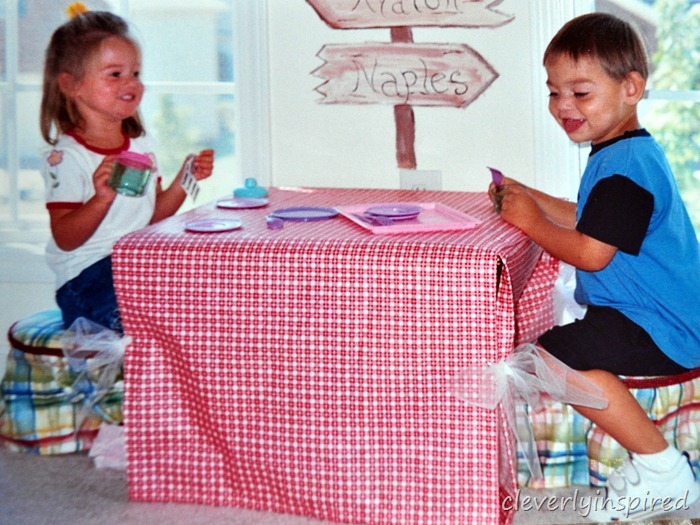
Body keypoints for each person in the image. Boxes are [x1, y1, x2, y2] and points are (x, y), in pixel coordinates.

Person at [490, 13, 700, 522]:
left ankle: (663, 470)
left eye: (580, 93)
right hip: (649, 313)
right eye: (554, 92)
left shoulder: (626, 169)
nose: (563, 106)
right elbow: (590, 218)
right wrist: (527, 197)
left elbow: (589, 252)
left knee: (551, 357)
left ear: (631, 88)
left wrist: (528, 220)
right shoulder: (622, 153)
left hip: (662, 327)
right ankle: (657, 468)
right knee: (563, 345)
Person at [40, 5, 214, 333]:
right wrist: (100, 199)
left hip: (131, 263)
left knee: (198, 292)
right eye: (114, 74)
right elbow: (65, 238)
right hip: (86, 278)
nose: (131, 82)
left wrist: (186, 177)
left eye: (135, 73)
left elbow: (150, 217)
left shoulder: (140, 148)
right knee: (159, 320)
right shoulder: (68, 158)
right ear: (71, 84)